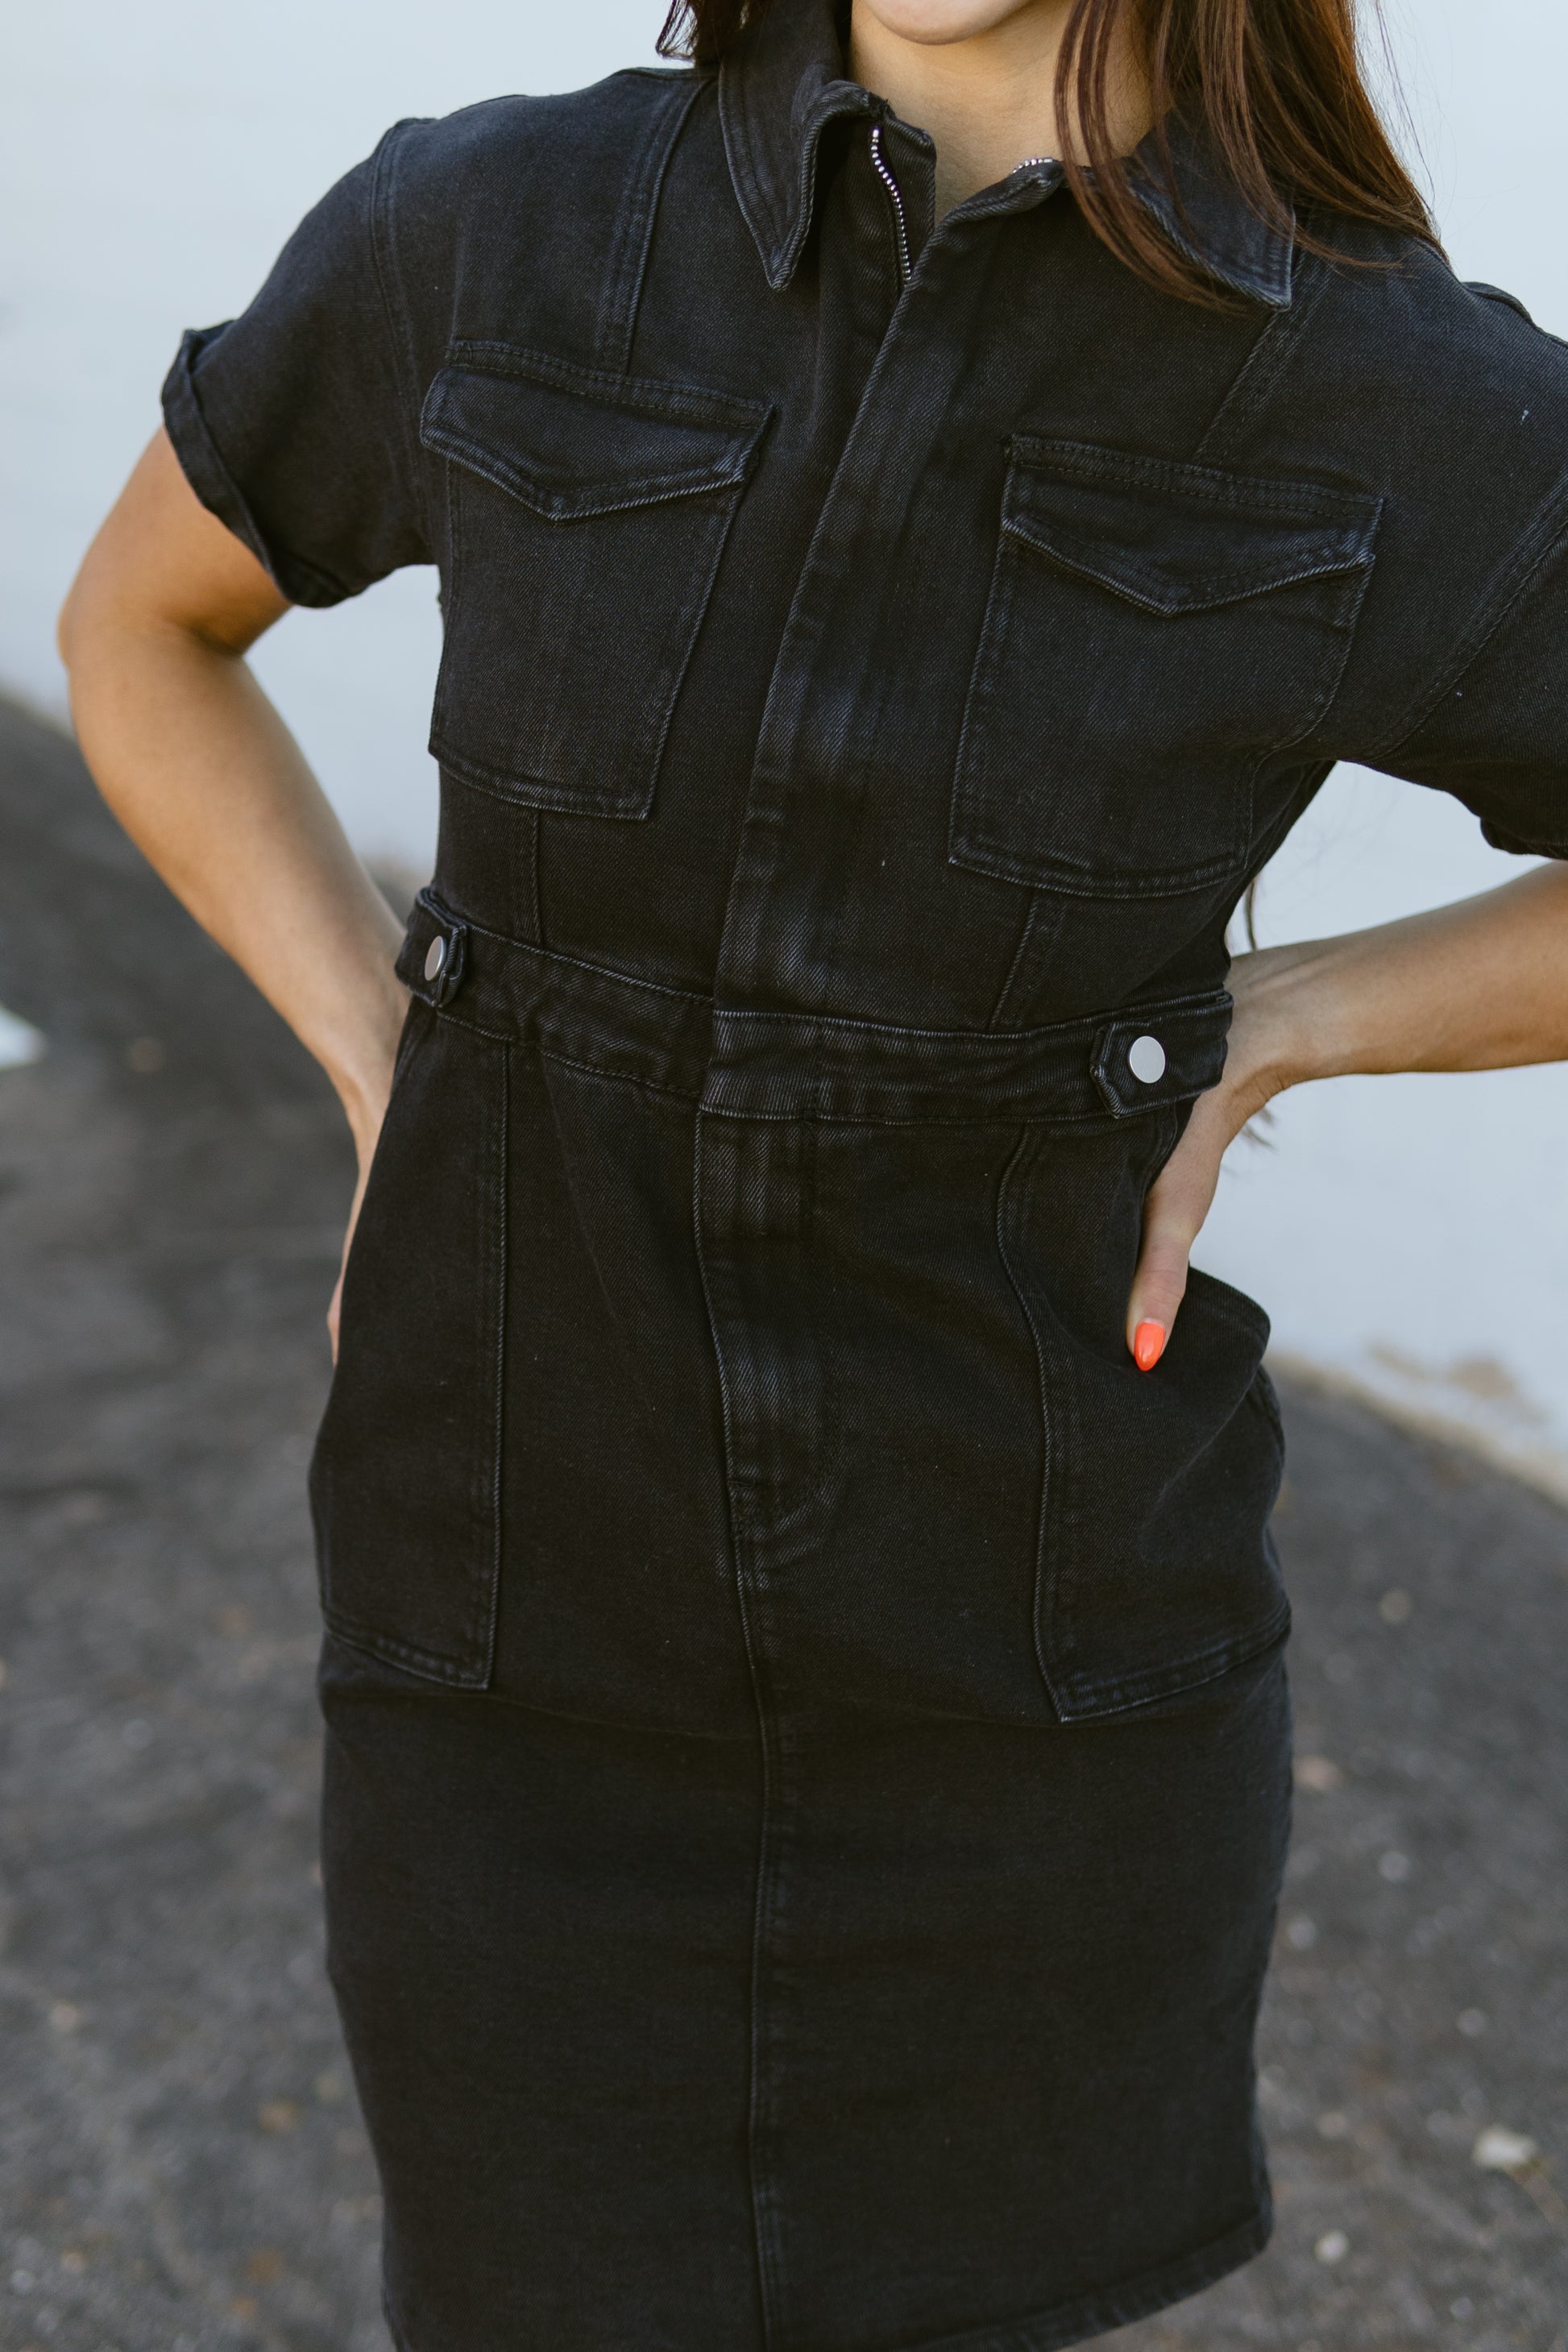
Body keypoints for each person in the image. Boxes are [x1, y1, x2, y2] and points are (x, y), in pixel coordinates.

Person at [56, 0, 1568, 2342]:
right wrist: (384, 1070)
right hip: (521, 1605)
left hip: (1027, 1668)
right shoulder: (497, 227)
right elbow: (144, 623)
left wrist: (1286, 1024)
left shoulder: (1390, 389)